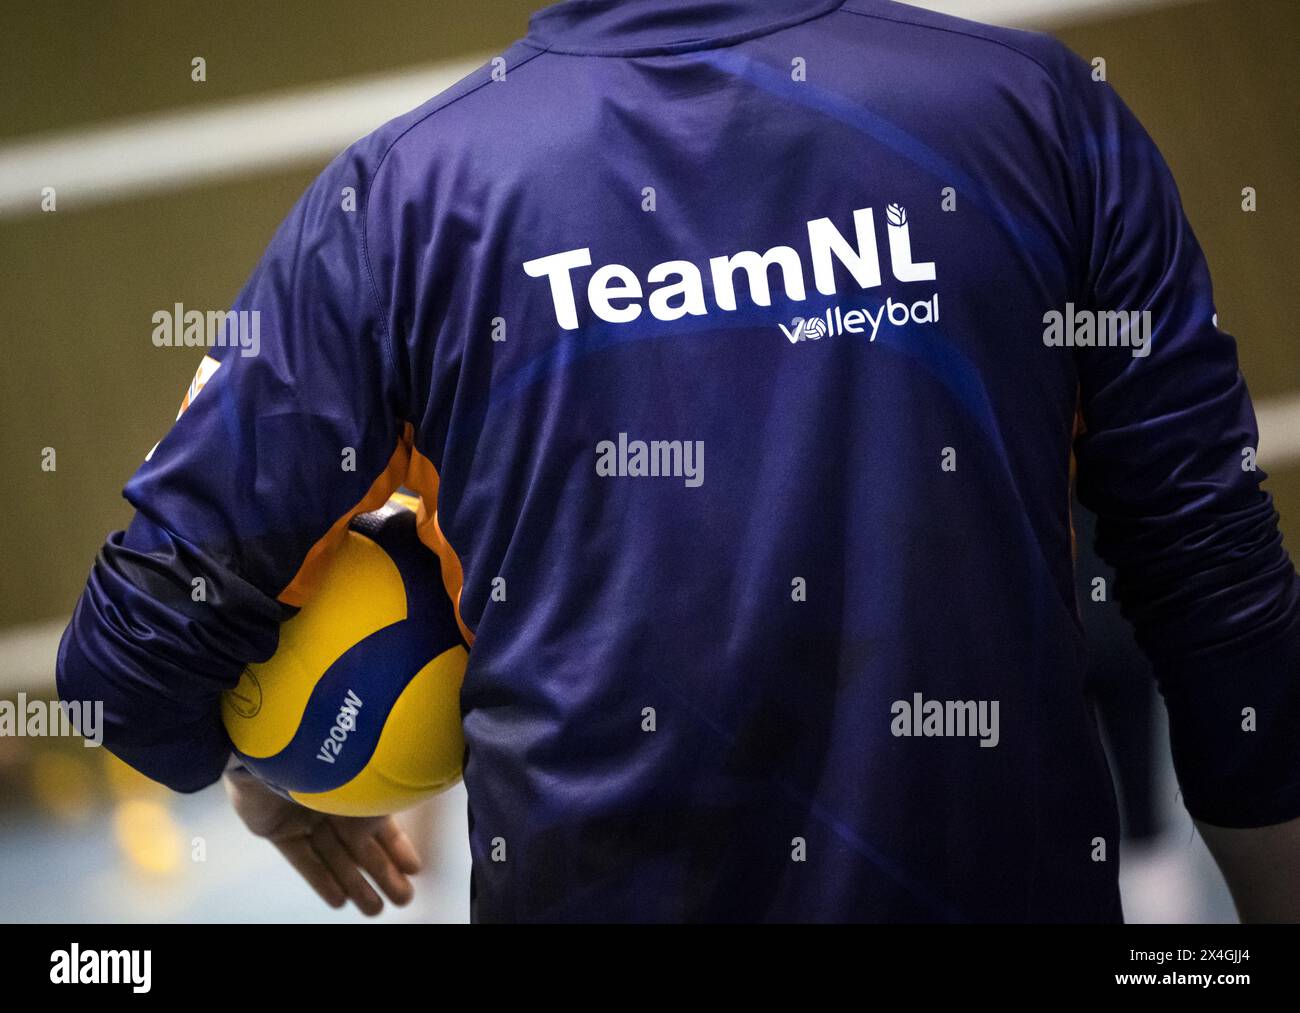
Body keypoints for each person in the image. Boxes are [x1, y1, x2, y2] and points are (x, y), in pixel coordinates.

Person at [58, 0, 1300, 922]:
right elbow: (1215, 580)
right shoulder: (1036, 108)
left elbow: (127, 662)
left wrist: (275, 764)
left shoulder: (398, 204)